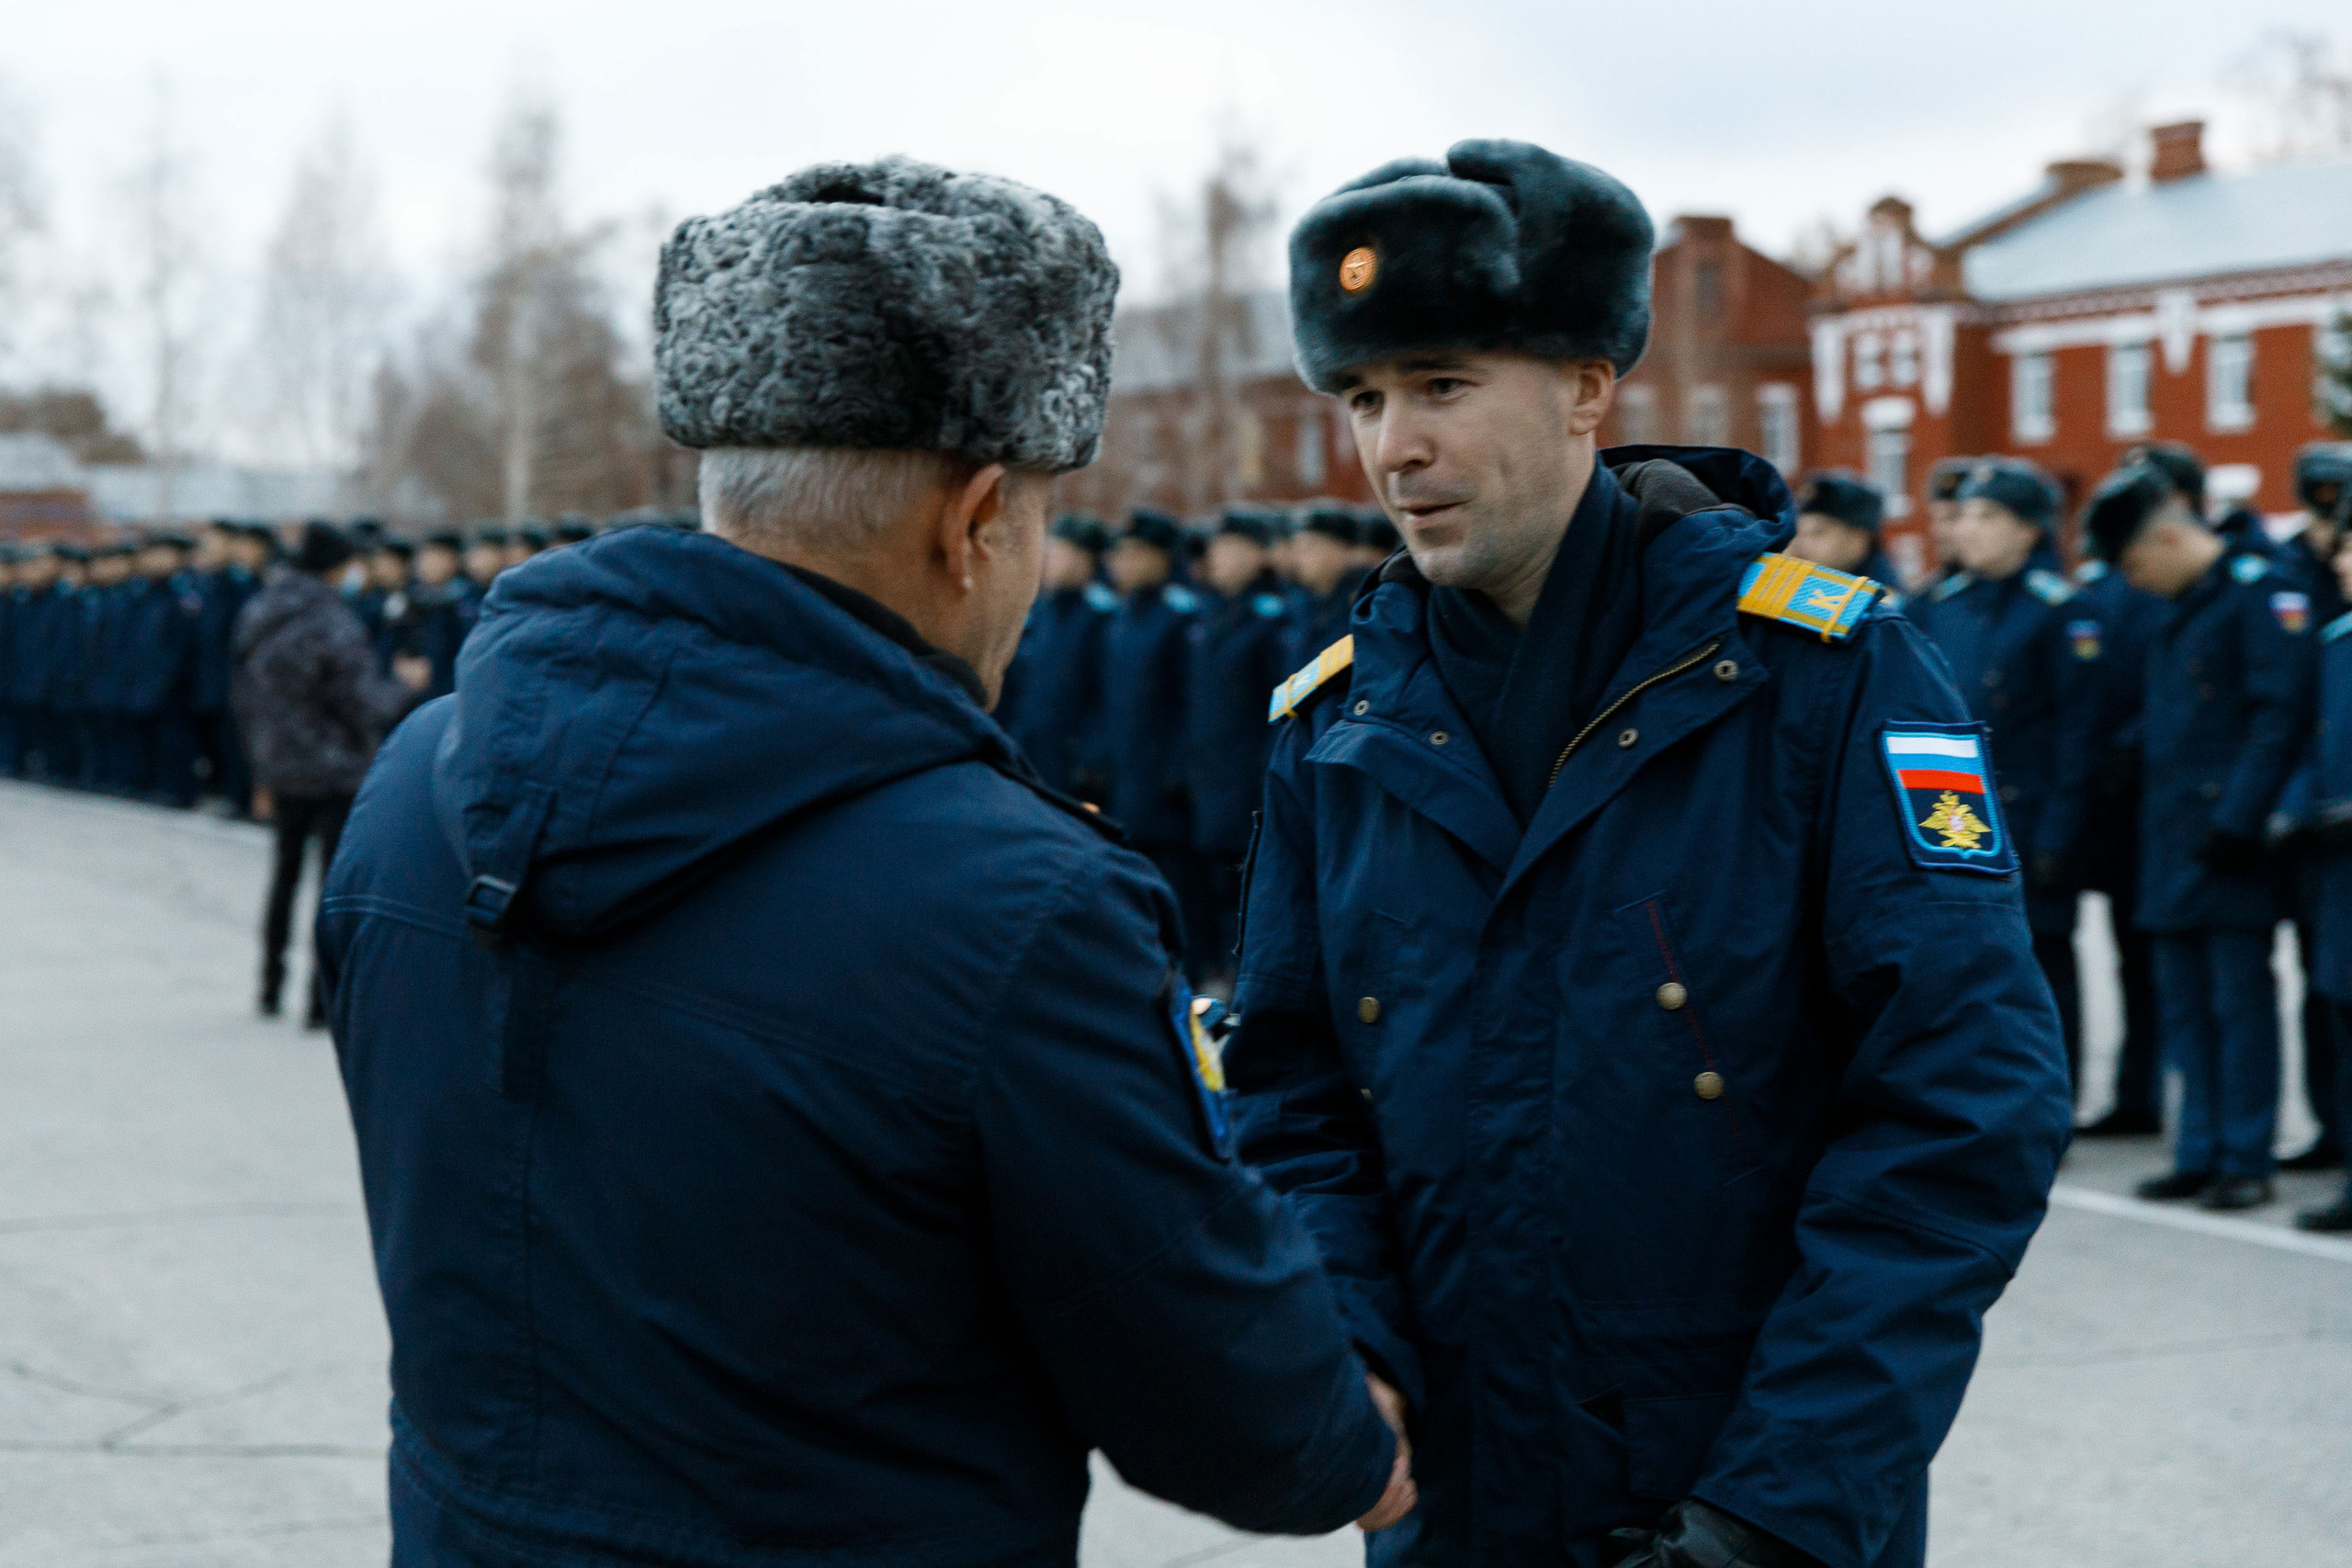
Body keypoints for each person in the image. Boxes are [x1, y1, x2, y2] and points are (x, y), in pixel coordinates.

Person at [316, 155, 1410, 1568]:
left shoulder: (418, 782)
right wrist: (1356, 1442)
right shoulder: (1017, 901)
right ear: (973, 522)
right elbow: (1209, 1387)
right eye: (1038, 524)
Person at [1232, 139, 2070, 1568]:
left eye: (1440, 384)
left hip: (1745, 1500)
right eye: (1365, 396)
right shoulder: (1338, 722)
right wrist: (1349, 1346)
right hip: (1456, 1501)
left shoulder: (1821, 672)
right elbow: (1294, 1092)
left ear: (1585, 386)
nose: (1393, 446)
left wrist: (1777, 1504)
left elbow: (1962, 1101)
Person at [2083, 461, 2316, 1212]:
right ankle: (2199, 1148)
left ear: (2173, 536)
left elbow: (2277, 716)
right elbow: (2178, 713)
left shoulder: (2257, 594)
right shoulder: (2180, 606)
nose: (2133, 580)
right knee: (2183, 1001)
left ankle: (2245, 1155)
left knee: (2238, 1003)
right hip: (2169, 836)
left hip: (2225, 841)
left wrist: (2239, 820)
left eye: (2134, 562)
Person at [1910, 458, 2097, 1091]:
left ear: (2027, 531)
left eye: (1987, 516)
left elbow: (2075, 734)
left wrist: (2057, 834)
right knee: (1959, 966)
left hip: (2029, 816)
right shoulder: (1941, 604)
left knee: (2040, 969)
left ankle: (2048, 1096)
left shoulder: (2056, 609)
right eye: (1964, 514)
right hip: (1949, 817)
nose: (1967, 527)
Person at [232, 522, 429, 1026]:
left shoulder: (260, 612)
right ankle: (322, 1002)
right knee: (332, 886)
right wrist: (406, 688)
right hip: (335, 769)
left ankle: (269, 986)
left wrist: (260, 764)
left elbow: (246, 696)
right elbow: (364, 701)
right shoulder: (332, 623)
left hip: (278, 763)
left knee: (284, 875)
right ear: (337, 567)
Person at [2069, 545, 2168, 1138]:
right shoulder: (2098, 585)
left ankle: (2147, 1092)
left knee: (2151, 962)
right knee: (2130, 960)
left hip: (2145, 795)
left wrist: (2123, 748)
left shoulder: (2166, 587)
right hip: (2105, 803)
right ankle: (2134, 1094)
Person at [1183, 506, 1295, 982]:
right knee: (1207, 885)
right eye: (1216, 549)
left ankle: (1245, 982)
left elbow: (1281, 711)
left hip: (1246, 777)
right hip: (1207, 776)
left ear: (1258, 554)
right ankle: (1217, 974)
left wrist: (1262, 775)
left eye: (1231, 548)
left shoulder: (1270, 618)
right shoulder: (1209, 613)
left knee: (1246, 888)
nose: (1218, 558)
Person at [2284, 477, 2352, 1232]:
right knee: (2341, 1015)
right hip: (2336, 872)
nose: (2340, 563)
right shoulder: (2336, 644)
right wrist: (2294, 810)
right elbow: (2313, 740)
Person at [1101, 506, 1205, 957]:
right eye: (1119, 554)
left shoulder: (1179, 616)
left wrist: (1179, 767)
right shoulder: (1124, 616)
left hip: (1166, 783)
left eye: (1135, 554)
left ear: (1162, 558)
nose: (1121, 564)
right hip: (1126, 773)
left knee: (1177, 885)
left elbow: (1193, 701)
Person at [997, 513, 1113, 799]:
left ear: (1085, 560)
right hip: (1024, 750)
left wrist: (1091, 754)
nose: (1050, 560)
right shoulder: (1039, 610)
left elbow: (1107, 695)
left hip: (1069, 758)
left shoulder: (1102, 618)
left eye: (1061, 552)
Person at [1786, 470, 1904, 607]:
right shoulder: (1804, 591)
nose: (1802, 543)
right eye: (1798, 532)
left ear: (1856, 541)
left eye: (1818, 533)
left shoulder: (1884, 608)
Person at [1286, 501, 1368, 668]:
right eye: (1297, 549)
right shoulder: (1298, 604)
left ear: (1341, 550)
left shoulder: (1365, 605)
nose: (1297, 559)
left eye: (1308, 548)